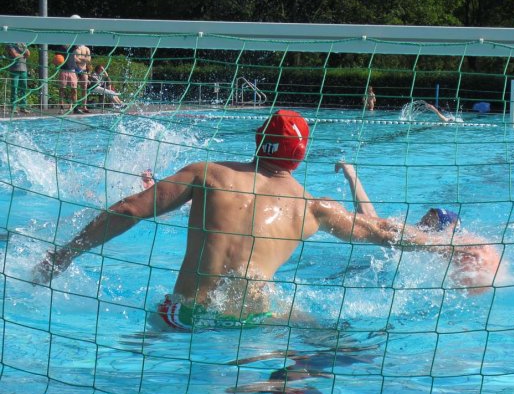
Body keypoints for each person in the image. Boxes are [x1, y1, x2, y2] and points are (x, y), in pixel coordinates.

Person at [33, 110, 451, 331]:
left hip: (187, 317)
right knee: (318, 332)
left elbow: (128, 209)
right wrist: (443, 246)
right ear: (301, 154)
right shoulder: (313, 208)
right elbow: (382, 231)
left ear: (258, 140)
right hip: (257, 319)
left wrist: (64, 254)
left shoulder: (207, 173)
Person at [335, 162, 502, 294]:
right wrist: (352, 176)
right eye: (423, 221)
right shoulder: (437, 246)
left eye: (426, 223)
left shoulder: (448, 246)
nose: (420, 225)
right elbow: (371, 219)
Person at [52, 44, 80, 113]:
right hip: (63, 70)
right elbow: (55, 59)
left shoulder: (72, 46)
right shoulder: (59, 48)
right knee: (62, 90)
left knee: (74, 90)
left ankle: (75, 108)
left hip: (72, 70)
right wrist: (56, 64)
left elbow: (78, 45)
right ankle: (61, 108)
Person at [5, 43, 31, 114]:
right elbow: (15, 55)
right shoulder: (10, 44)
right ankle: (13, 107)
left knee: (24, 88)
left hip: (24, 70)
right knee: (14, 89)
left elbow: (28, 54)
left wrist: (23, 46)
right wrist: (23, 55)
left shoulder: (22, 44)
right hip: (14, 69)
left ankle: (23, 107)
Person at [74, 43, 92, 113]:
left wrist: (80, 58)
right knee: (74, 88)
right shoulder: (75, 47)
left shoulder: (86, 48)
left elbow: (89, 59)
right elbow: (74, 59)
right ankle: (74, 106)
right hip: (75, 70)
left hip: (84, 70)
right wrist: (84, 59)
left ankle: (84, 106)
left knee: (84, 89)